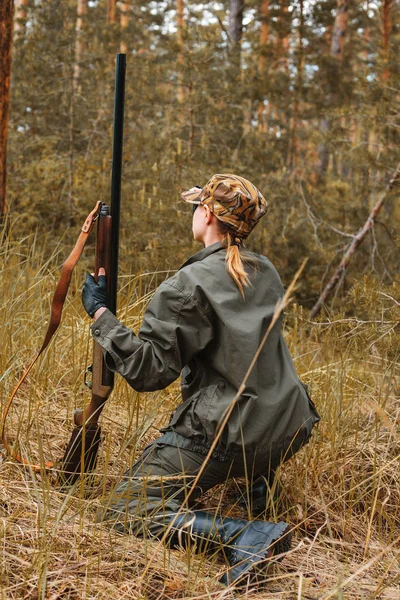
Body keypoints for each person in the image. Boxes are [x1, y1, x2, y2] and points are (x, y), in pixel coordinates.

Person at [82, 173, 320, 586]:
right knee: (245, 412)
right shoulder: (265, 271)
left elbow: (150, 372)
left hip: (233, 434)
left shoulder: (187, 286)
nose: (193, 212)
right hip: (289, 424)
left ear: (207, 214)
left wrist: (101, 316)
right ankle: (259, 495)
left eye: (197, 206)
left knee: (124, 508)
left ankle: (246, 534)